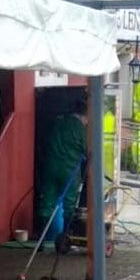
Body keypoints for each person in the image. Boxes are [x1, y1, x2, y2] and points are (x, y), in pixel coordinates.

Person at [36, 100, 89, 253]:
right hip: (69, 170)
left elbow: (44, 143)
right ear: (85, 116)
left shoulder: (58, 122)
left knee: (46, 202)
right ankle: (64, 240)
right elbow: (87, 151)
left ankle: (40, 240)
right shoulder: (80, 129)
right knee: (69, 204)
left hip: (50, 167)